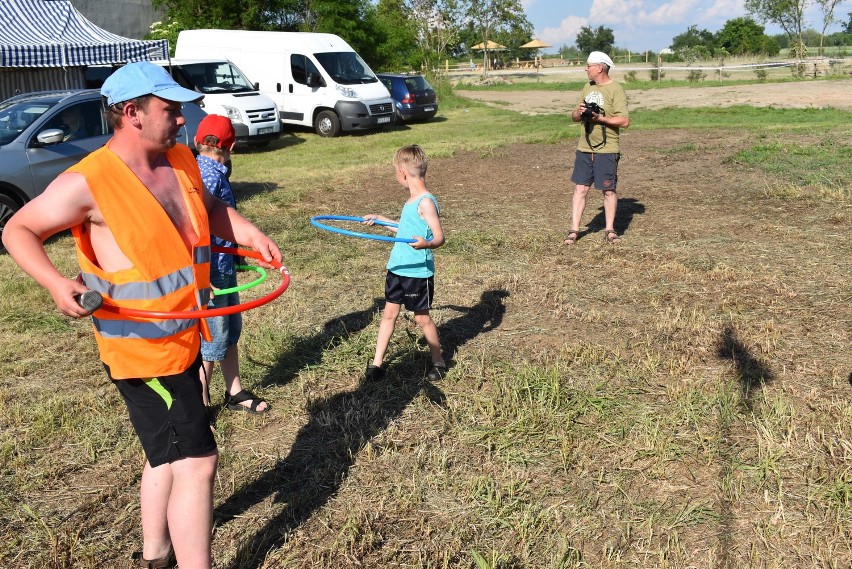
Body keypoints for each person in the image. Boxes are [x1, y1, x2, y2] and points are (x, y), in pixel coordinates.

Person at [1, 61, 281, 569]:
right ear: (132, 113)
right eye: (171, 110)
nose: (183, 121)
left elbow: (210, 209)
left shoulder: (180, 159)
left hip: (184, 335)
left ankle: (155, 554)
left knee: (165, 456)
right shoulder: (89, 182)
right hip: (141, 352)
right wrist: (56, 283)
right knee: (198, 462)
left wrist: (244, 229)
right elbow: (18, 230)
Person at [194, 114, 269, 415]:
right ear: (232, 146)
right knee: (210, 342)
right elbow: (194, 228)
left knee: (229, 331)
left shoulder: (205, 170)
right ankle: (200, 409)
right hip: (210, 272)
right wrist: (200, 275)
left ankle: (234, 392)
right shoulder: (209, 177)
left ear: (198, 142)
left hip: (223, 266)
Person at [362, 144, 446, 383]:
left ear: (402, 172)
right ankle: (377, 363)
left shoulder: (426, 202)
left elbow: (439, 237)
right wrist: (380, 220)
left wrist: (426, 244)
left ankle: (438, 361)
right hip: (397, 267)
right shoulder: (411, 200)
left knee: (421, 318)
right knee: (389, 314)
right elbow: (404, 231)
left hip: (417, 272)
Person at [565, 51, 630, 245]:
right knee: (581, 188)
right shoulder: (587, 87)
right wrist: (580, 112)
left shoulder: (616, 90)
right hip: (584, 146)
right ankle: (574, 230)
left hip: (607, 148)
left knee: (608, 190)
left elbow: (624, 121)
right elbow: (574, 116)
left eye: (589, 66)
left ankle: (610, 230)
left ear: (599, 68)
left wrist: (600, 118)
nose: (586, 69)